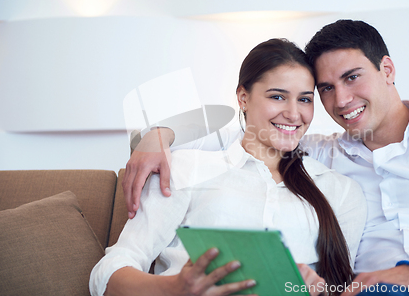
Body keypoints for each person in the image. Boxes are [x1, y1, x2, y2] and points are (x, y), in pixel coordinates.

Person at [122, 20, 409, 294]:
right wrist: (159, 134)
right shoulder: (316, 152)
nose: (342, 100)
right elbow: (245, 133)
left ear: (387, 69)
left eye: (352, 77)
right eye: (326, 89)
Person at [91, 38, 367, 296]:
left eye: (305, 99)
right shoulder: (186, 170)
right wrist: (174, 288)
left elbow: (343, 287)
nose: (294, 114)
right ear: (243, 98)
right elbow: (108, 272)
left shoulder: (340, 190)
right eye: (277, 97)